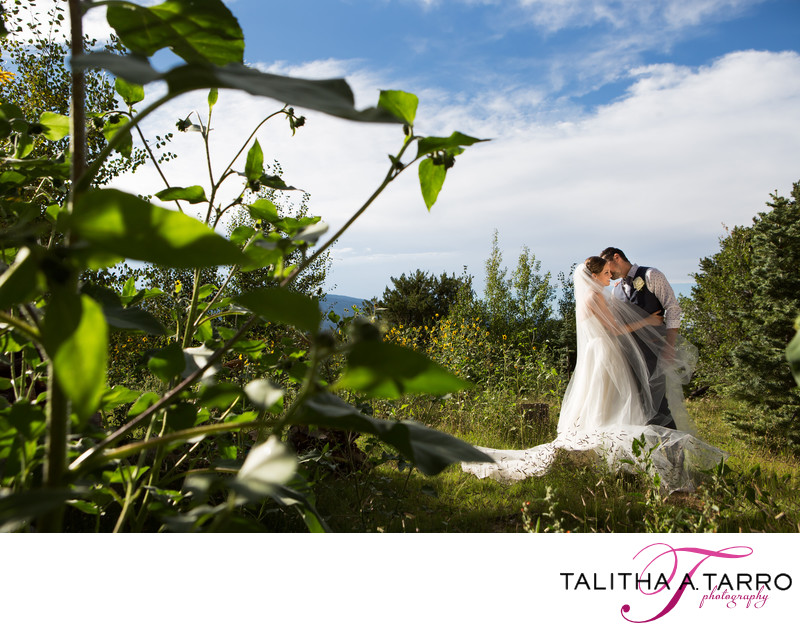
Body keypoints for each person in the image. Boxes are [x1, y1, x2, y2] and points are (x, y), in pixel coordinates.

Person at [461, 256, 724, 491]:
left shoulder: (598, 295)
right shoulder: (594, 297)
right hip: (605, 352)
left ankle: (616, 461)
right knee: (611, 402)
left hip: (602, 352)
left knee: (606, 402)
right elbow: (613, 330)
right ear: (595, 276)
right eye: (607, 274)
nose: (612, 278)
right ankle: (618, 461)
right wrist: (648, 321)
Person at [600, 247, 680, 429]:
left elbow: (673, 309)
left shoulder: (651, 275)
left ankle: (674, 454)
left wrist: (669, 346)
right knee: (641, 405)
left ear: (616, 257)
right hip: (630, 353)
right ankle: (653, 453)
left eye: (607, 267)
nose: (608, 273)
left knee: (657, 404)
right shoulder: (616, 291)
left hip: (654, 350)